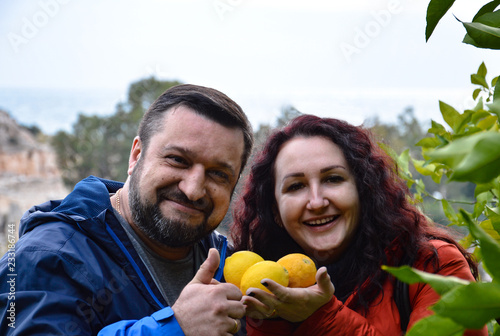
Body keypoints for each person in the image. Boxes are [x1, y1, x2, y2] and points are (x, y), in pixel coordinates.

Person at [0, 84, 254, 335]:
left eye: (218, 174)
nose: (193, 190)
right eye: (178, 160)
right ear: (136, 155)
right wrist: (174, 328)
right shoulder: (47, 259)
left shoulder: (231, 264)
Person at [231, 114, 487, 335]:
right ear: (275, 211)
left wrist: (322, 316)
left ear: (363, 190)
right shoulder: (261, 286)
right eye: (296, 186)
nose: (317, 202)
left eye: (333, 179)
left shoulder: (434, 266)